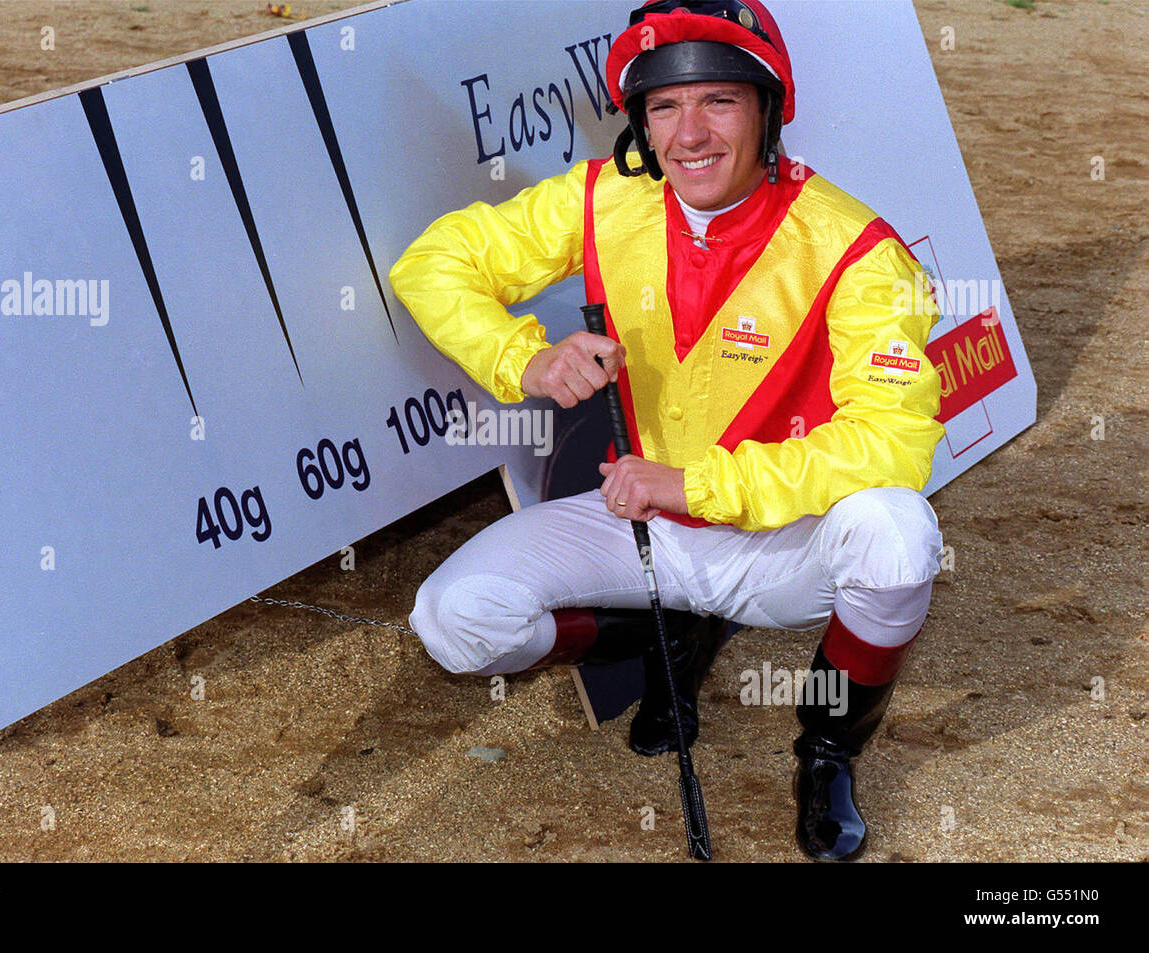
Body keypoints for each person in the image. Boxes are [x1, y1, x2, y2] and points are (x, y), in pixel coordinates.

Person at [389, 0, 944, 861]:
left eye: (719, 100)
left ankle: (828, 753)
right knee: (454, 620)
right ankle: (662, 634)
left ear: (768, 109)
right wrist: (523, 359)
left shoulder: (859, 248)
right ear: (641, 122)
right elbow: (434, 260)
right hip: (637, 523)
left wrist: (698, 487)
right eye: (663, 106)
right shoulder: (605, 196)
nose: (690, 133)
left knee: (901, 537)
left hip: (777, 542)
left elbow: (893, 439)